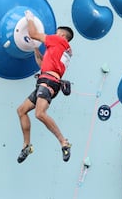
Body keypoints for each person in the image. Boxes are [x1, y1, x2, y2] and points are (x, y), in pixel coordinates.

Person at [16, 10, 74, 163]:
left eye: (55, 34)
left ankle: (63, 142)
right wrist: (35, 47)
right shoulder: (62, 50)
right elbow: (43, 64)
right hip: (46, 80)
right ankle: (26, 145)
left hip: (48, 82)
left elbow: (34, 33)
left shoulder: (59, 41)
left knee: (39, 113)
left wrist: (29, 18)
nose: (51, 36)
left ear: (61, 36)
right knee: (21, 111)